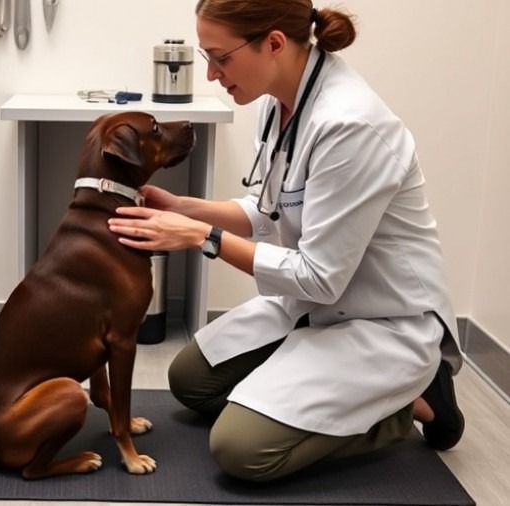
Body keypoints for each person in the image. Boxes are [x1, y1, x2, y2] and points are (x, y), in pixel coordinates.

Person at [108, 0, 464, 482]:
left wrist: (201, 237)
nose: (212, 74)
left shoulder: (350, 125)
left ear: (274, 43)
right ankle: (300, 394)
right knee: (190, 382)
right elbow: (270, 211)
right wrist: (185, 208)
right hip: (312, 306)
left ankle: (413, 402)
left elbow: (321, 278)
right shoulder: (281, 104)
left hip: (383, 321)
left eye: (221, 57)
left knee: (241, 451)